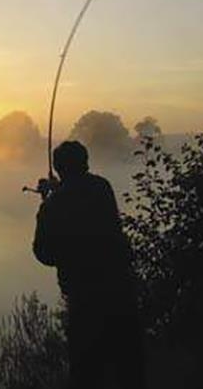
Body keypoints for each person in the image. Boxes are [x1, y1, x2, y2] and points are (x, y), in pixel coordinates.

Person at [33, 140, 145, 389]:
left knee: (87, 373)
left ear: (58, 167)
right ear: (86, 162)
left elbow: (43, 253)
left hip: (84, 299)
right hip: (121, 291)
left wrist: (46, 202)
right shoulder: (102, 188)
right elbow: (79, 193)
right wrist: (56, 193)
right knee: (130, 367)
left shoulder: (53, 205)